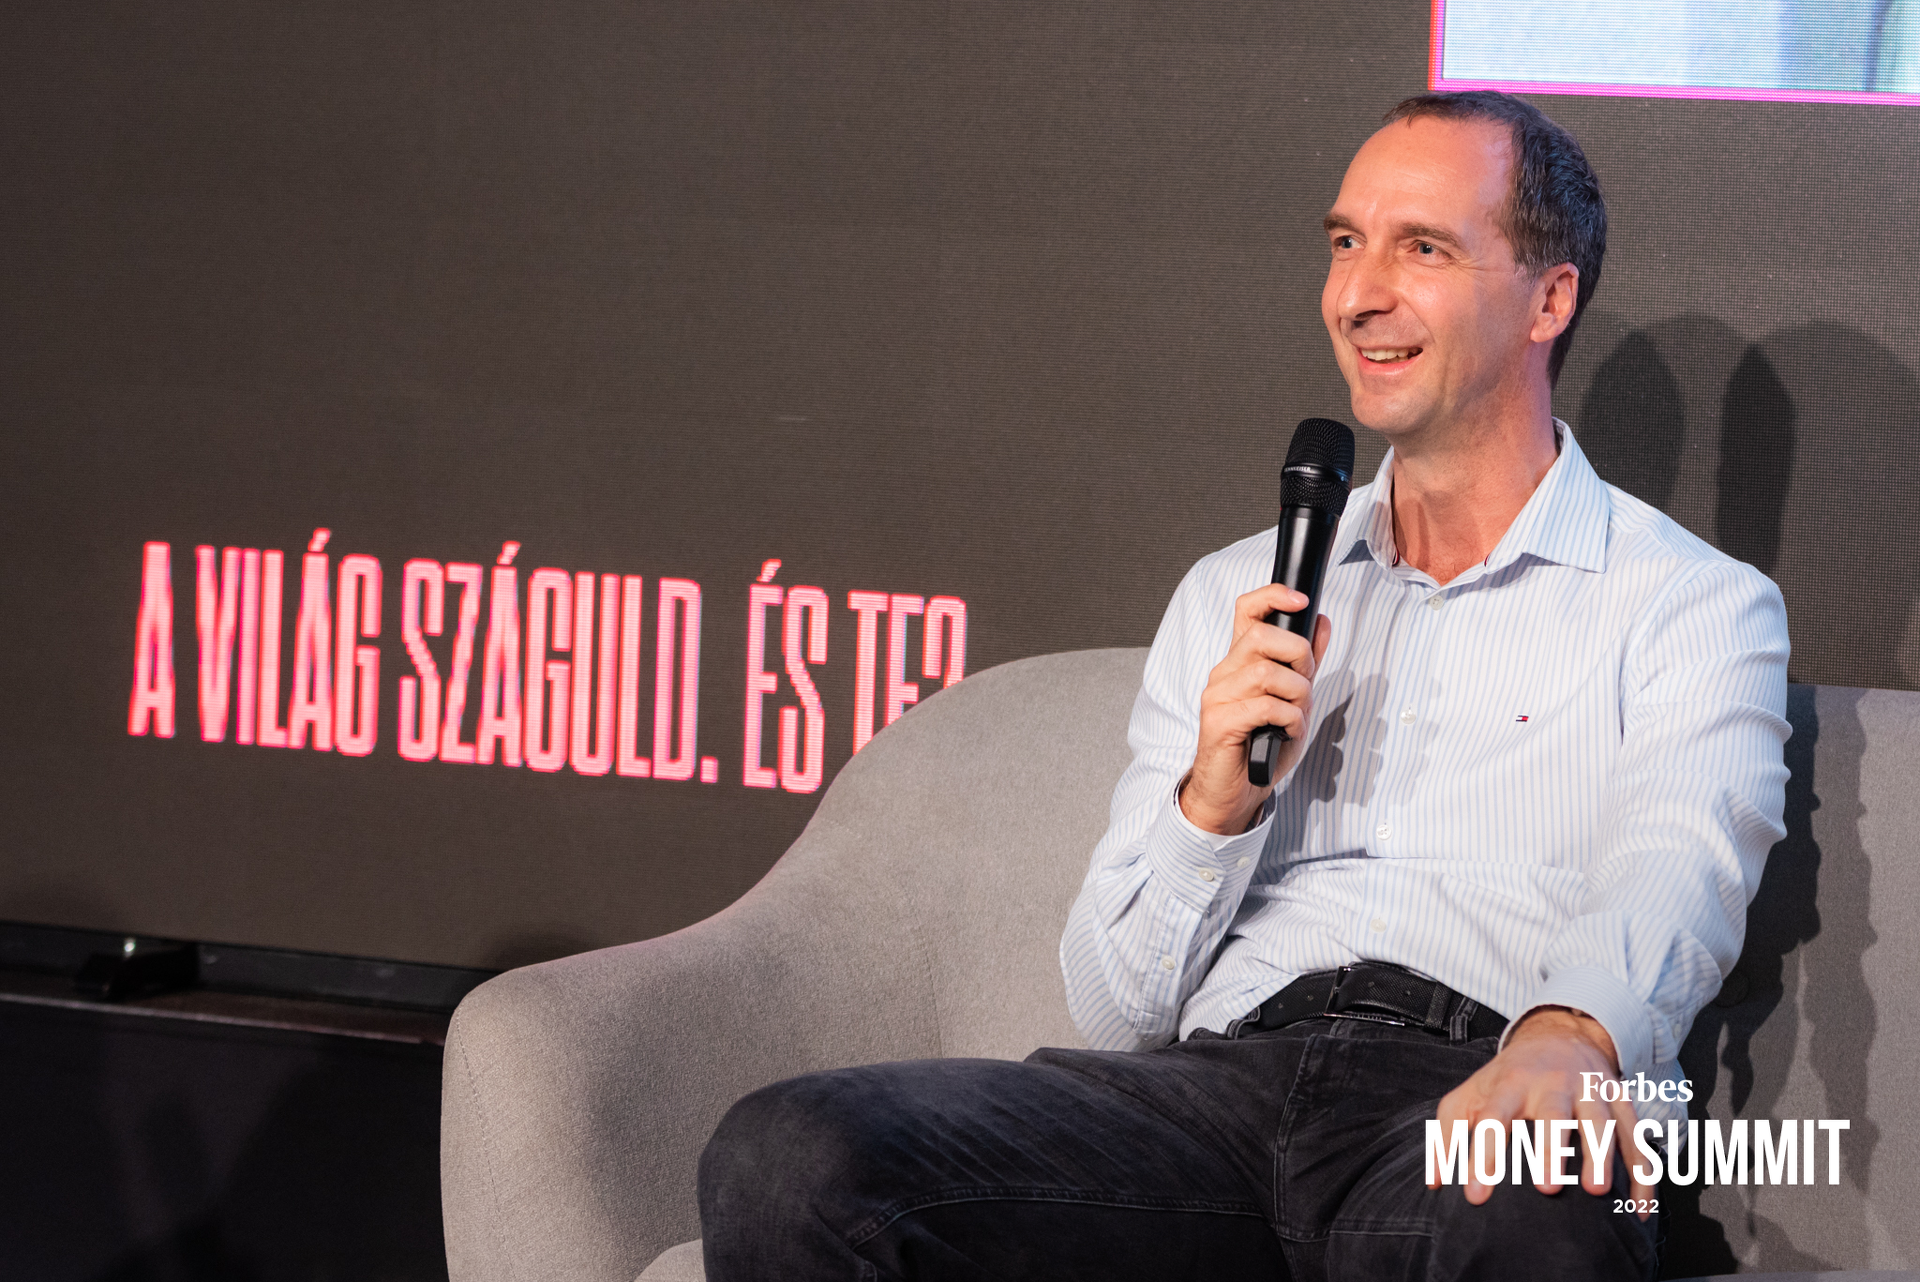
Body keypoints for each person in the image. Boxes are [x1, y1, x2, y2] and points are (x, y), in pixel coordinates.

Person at [697, 90, 1789, 1281]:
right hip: (1210, 1102)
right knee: (790, 1156)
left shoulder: (1689, 602)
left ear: (1549, 298)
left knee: (1529, 1206)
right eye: (1345, 242)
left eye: (1422, 249)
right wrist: (1211, 806)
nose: (1357, 293)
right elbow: (1115, 1010)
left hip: (1472, 1092)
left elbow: (1680, 861)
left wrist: (1570, 1037)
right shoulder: (1243, 589)